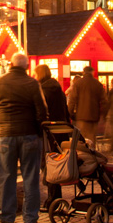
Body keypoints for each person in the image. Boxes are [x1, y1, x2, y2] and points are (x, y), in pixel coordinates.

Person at [0, 52, 48, 223]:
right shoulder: (32, 84)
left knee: (6, 176)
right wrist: (35, 128)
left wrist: (1, 119)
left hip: (6, 135)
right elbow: (42, 111)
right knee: (30, 177)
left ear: (11, 65)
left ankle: (7, 215)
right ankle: (30, 217)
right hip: (29, 135)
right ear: (26, 67)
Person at [35, 63, 68, 204]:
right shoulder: (58, 89)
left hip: (49, 131)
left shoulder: (43, 90)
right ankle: (55, 194)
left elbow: (41, 111)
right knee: (57, 161)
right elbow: (65, 110)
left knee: (48, 162)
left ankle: (53, 196)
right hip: (62, 130)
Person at [67, 66, 107, 148]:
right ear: (92, 72)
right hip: (94, 117)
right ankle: (92, 155)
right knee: (92, 138)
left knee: (83, 139)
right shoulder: (98, 84)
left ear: (83, 72)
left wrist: (70, 113)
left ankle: (85, 157)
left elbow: (72, 100)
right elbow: (104, 101)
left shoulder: (78, 84)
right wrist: (104, 114)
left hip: (81, 116)